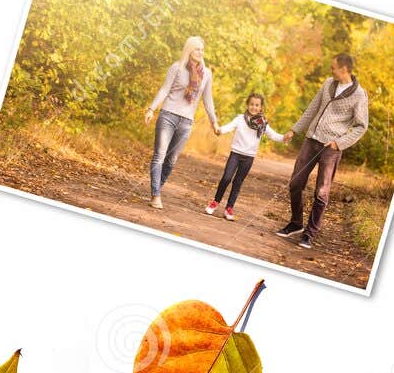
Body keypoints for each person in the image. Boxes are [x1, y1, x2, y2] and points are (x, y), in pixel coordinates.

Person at [275, 53, 369, 250]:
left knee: (321, 192)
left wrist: (339, 143)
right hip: (311, 140)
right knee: (295, 183)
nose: (330, 70)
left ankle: (310, 234)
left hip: (331, 149)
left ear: (344, 70)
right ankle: (296, 223)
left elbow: (361, 126)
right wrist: (295, 129)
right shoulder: (328, 83)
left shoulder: (359, 95)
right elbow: (312, 108)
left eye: (333, 67)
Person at [143, 36, 220, 209]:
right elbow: (164, 89)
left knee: (171, 160)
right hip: (168, 116)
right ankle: (155, 194)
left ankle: (157, 187)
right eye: (196, 49)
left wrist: (214, 122)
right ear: (189, 50)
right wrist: (151, 109)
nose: (200, 52)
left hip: (186, 122)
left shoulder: (206, 74)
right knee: (159, 155)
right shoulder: (176, 68)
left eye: (202, 49)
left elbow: (208, 99)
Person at [205, 92, 286, 220]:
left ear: (260, 107)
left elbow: (273, 135)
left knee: (238, 183)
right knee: (226, 178)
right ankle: (215, 202)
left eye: (257, 105)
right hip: (236, 154)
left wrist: (284, 138)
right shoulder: (240, 119)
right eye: (252, 104)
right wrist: (220, 130)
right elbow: (229, 127)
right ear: (248, 105)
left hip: (248, 157)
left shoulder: (262, 123)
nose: (254, 107)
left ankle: (229, 208)